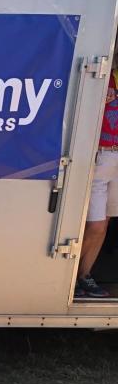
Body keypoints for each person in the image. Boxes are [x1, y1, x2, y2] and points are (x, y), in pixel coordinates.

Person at [76, 61, 118, 298]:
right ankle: (68, 277)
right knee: (96, 224)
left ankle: (85, 275)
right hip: (101, 154)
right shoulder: (105, 77)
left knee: (105, 223)